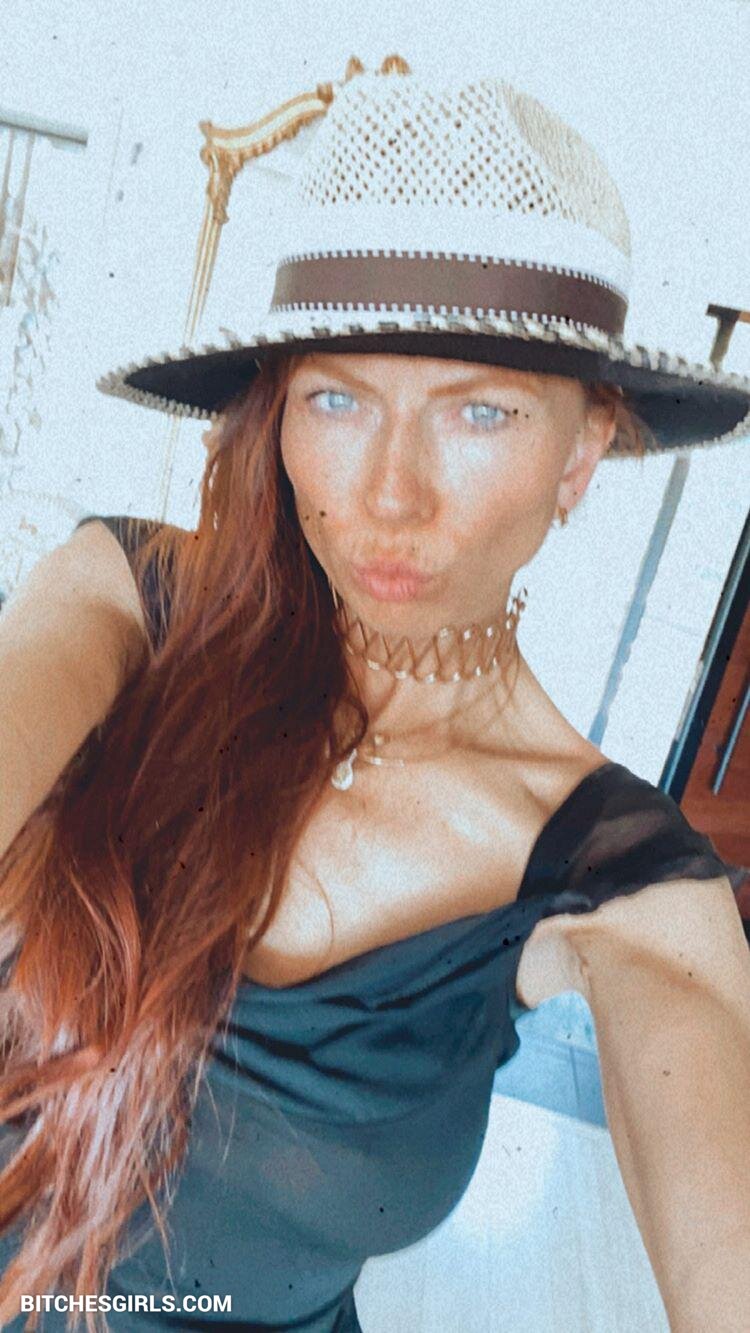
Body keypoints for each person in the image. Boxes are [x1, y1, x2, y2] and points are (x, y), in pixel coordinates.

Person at [1, 58, 750, 1333]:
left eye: (481, 413)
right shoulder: (123, 605)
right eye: (338, 397)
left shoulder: (624, 886)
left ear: (583, 452)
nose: (390, 494)